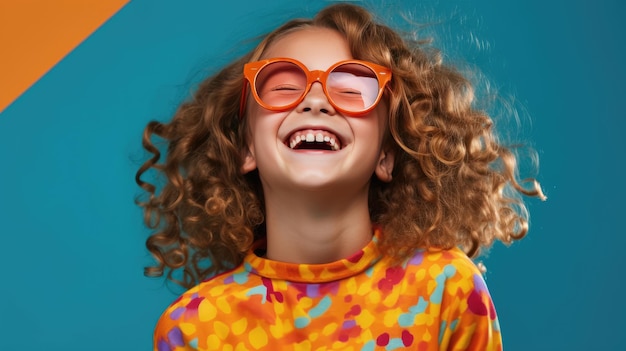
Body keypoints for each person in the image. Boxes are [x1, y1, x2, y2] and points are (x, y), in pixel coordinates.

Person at [136, 3, 545, 350]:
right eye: (282, 85)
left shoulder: (445, 288)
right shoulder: (194, 328)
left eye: (352, 87)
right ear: (245, 148)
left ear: (386, 154)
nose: (316, 100)